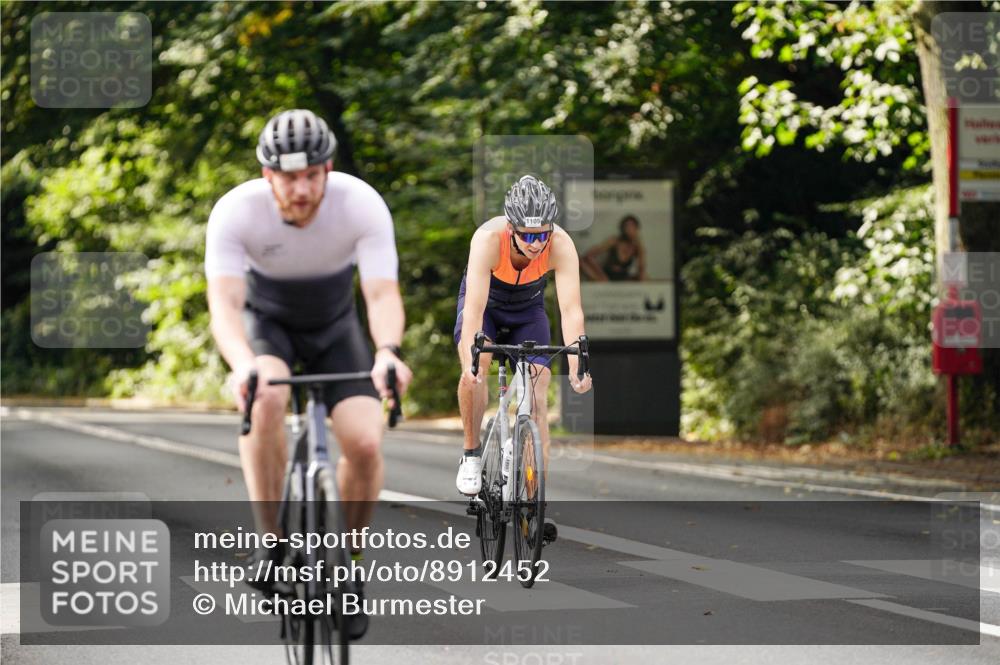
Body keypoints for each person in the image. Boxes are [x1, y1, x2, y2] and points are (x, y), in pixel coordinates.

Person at [205, 109, 412, 638]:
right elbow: (226, 305)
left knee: (365, 444)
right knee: (266, 398)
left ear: (328, 169)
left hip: (335, 327)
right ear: (267, 175)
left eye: (312, 175)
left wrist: (387, 350)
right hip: (268, 326)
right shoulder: (236, 212)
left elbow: (382, 293)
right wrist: (242, 365)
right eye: (289, 177)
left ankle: (349, 564)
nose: (301, 189)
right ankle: (272, 541)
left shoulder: (360, 204)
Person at [453, 175, 593, 544]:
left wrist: (578, 365)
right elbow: (473, 312)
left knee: (538, 389)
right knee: (476, 372)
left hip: (527, 311)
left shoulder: (560, 244)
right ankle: (470, 453)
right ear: (511, 228)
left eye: (542, 235)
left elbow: (571, 309)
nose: (535, 244)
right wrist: (472, 356)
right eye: (527, 236)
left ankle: (534, 501)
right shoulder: (487, 239)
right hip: (487, 308)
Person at [580, 214, 647, 281]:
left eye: (632, 226)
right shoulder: (614, 241)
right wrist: (602, 275)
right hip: (606, 276)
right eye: (627, 226)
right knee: (581, 262)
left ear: (637, 229)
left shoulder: (637, 246)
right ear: (622, 228)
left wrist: (640, 247)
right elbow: (589, 255)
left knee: (645, 278)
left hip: (623, 278)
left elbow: (641, 269)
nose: (629, 229)